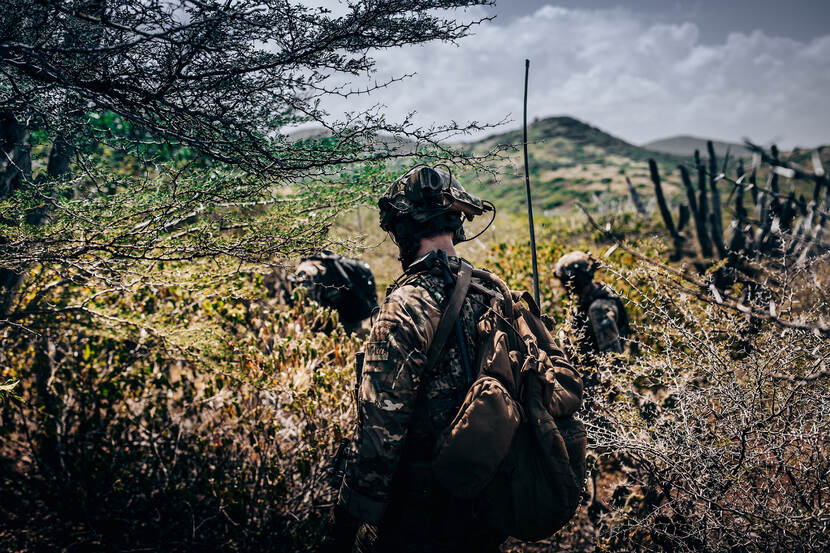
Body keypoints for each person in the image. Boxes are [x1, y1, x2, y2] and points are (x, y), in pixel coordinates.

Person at [323, 166, 505, 553]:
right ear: (455, 226)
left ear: (403, 230)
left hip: (422, 515)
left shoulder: (406, 307)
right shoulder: (492, 293)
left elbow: (379, 434)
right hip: (486, 502)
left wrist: (349, 522)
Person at [553, 251, 630, 365]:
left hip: (599, 378)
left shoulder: (598, 308)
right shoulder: (582, 303)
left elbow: (612, 359)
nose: (563, 287)